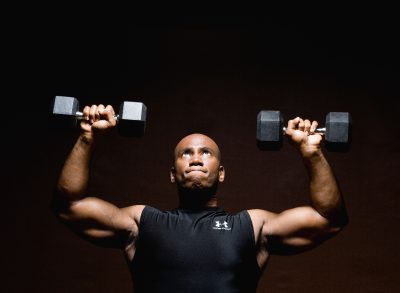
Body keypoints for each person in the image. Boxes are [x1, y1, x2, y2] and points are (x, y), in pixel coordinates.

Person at [52, 103, 348, 293]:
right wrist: (87, 137)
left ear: (220, 173)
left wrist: (313, 153)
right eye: (186, 154)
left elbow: (327, 219)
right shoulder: (141, 223)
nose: (195, 159)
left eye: (205, 153)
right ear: (172, 173)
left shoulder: (252, 226)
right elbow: (69, 206)